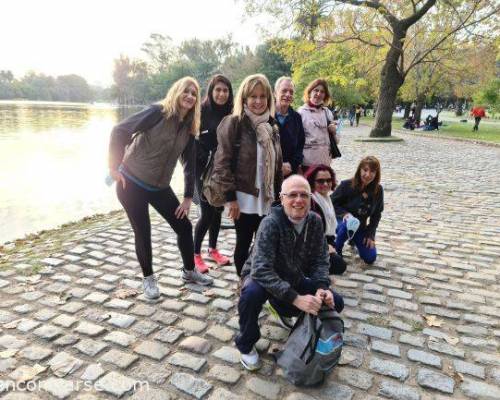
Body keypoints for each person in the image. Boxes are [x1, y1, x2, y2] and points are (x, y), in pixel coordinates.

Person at [108, 76, 213, 299]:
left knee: (184, 226)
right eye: (186, 91)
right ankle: (148, 279)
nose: (190, 96)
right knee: (143, 231)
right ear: (176, 92)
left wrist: (187, 198)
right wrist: (114, 167)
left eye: (194, 94)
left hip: (159, 187)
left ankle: (189, 272)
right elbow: (119, 130)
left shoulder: (189, 127)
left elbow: (189, 166)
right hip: (131, 183)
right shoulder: (157, 112)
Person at [235, 175, 344, 370]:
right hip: (262, 278)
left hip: (293, 275)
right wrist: (295, 298)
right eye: (292, 194)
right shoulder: (270, 223)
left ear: (311, 198)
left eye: (304, 195)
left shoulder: (315, 221)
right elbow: (260, 269)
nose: (299, 200)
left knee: (335, 302)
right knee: (250, 294)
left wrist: (321, 287)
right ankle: (246, 344)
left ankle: (287, 313)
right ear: (281, 198)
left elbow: (321, 259)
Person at [211, 74, 283, 276]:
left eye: (262, 96)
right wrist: (231, 199)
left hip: (266, 197)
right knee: (243, 241)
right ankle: (243, 281)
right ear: (244, 98)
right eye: (253, 96)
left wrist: (280, 195)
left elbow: (277, 165)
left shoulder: (272, 126)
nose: (258, 101)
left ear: (269, 99)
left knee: (263, 242)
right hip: (243, 198)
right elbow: (222, 164)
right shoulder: (233, 123)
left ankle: (259, 279)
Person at [193, 75, 234, 273]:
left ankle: (213, 249)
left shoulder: (232, 112)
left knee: (217, 210)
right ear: (211, 91)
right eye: (218, 90)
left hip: (222, 170)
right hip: (202, 170)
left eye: (225, 90)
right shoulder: (200, 112)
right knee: (207, 213)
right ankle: (195, 254)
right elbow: (189, 139)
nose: (221, 94)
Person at [331, 156, 384, 265]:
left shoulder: (378, 190)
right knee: (349, 223)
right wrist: (345, 214)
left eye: (372, 172)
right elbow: (331, 203)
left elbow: (376, 215)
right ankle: (337, 249)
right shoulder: (346, 185)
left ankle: (353, 239)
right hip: (341, 222)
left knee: (370, 257)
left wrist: (370, 235)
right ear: (359, 170)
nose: (368, 175)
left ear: (376, 174)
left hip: (360, 227)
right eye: (365, 170)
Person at [305, 165, 347, 275]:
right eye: (320, 181)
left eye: (328, 180)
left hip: (326, 240)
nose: (325, 184)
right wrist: (325, 247)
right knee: (338, 264)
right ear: (312, 182)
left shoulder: (326, 199)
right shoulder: (310, 202)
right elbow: (307, 233)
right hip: (312, 246)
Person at [298, 79, 338, 171]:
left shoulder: (327, 112)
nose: (319, 94)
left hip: (325, 162)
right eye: (316, 90)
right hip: (307, 163)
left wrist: (334, 132)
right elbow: (296, 141)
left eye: (322, 92)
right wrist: (298, 166)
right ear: (310, 92)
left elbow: (336, 141)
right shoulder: (301, 113)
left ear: (325, 95)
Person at [274, 77, 305, 178]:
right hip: (268, 173)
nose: (288, 94)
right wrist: (278, 166)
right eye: (284, 90)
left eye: (291, 92)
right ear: (275, 93)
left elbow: (300, 146)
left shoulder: (296, 118)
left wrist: (291, 165)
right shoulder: (266, 116)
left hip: (290, 173)